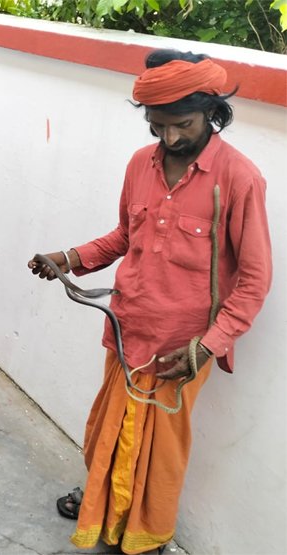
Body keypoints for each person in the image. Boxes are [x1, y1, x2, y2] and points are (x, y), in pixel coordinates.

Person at [28, 49, 272, 554]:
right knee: (107, 428)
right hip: (127, 326)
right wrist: (68, 258)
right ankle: (100, 504)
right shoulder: (141, 163)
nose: (171, 138)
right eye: (158, 126)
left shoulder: (240, 177)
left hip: (183, 347)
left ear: (212, 111)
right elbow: (125, 236)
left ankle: (145, 535)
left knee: (159, 451)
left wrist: (208, 346)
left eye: (182, 124)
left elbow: (254, 280)